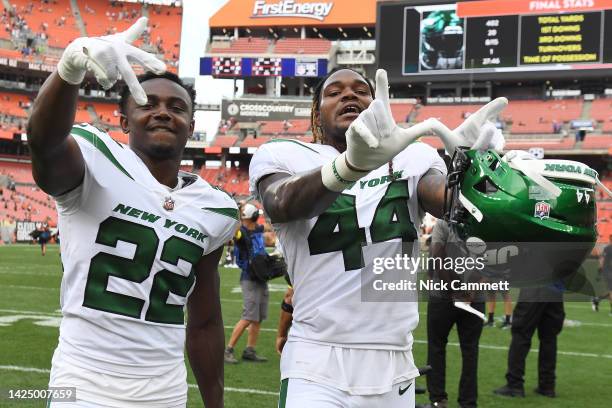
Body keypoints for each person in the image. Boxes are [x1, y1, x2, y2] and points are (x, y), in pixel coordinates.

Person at [249, 67, 506, 407]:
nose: (349, 95)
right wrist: (350, 166)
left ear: (377, 104)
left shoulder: (412, 156)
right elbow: (281, 203)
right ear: (316, 110)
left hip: (393, 361)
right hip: (316, 356)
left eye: (360, 90)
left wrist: (474, 168)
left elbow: (455, 206)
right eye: (334, 91)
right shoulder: (284, 154)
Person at [27, 18, 238, 408]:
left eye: (177, 107)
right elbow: (43, 143)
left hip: (165, 389)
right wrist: (70, 67)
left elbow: (205, 318)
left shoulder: (216, 208)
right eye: (147, 103)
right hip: (84, 381)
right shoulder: (94, 158)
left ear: (191, 126)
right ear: (123, 121)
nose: (162, 112)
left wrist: (215, 402)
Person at [425, 219, 485, 408]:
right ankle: (467, 403)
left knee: (436, 347)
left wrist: (454, 291)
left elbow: (437, 255)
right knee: (470, 350)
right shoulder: (486, 221)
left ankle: (438, 400)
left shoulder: (444, 222)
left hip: (443, 295)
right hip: (471, 298)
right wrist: (469, 291)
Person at [493, 286, 565, 399]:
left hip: (535, 287)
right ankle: (547, 386)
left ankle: (514, 385)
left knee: (520, 334)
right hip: (556, 290)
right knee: (549, 338)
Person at [224, 203, 270, 363]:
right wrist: (238, 213)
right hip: (249, 278)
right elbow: (234, 232)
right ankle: (228, 349)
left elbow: (268, 230)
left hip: (261, 277)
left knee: (258, 318)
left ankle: (250, 350)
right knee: (248, 316)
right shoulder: (241, 233)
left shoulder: (257, 229)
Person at [592, 235, 612, 314]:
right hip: (608, 272)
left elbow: (602, 261)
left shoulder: (606, 249)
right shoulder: (607, 249)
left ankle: (597, 299)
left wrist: (599, 272)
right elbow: (602, 261)